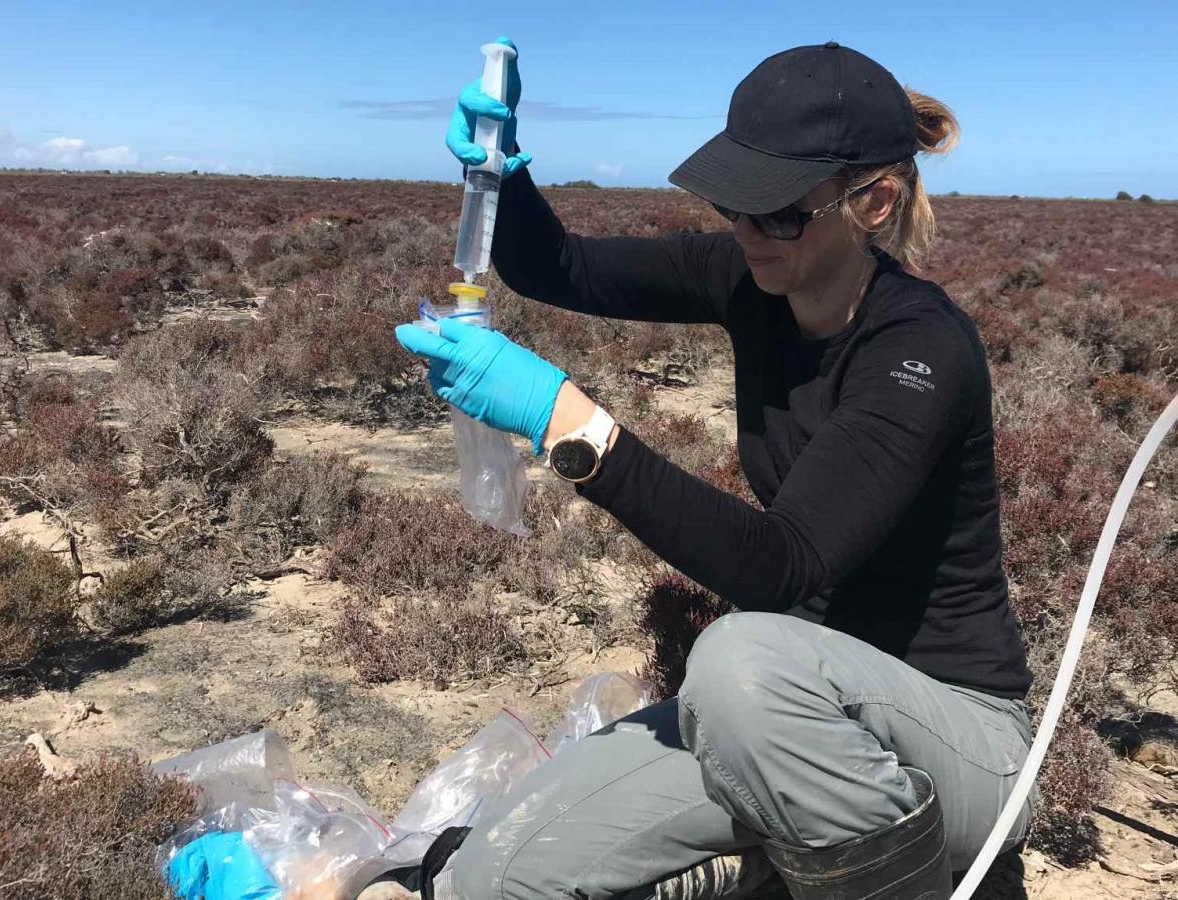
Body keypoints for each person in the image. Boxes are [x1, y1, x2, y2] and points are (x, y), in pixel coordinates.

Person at [395, 37, 1039, 900]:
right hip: (774, 714)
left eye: (777, 210)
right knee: (496, 873)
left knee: (737, 661)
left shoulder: (920, 348)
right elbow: (558, 265)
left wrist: (565, 421)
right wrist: (501, 180)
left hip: (959, 735)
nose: (745, 231)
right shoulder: (748, 276)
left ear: (875, 202)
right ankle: (779, 852)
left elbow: (782, 566)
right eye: (732, 203)